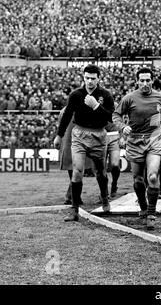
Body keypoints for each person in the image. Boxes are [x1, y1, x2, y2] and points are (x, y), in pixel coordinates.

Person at [54, 64, 115, 221]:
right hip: (79, 134)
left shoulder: (105, 95)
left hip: (98, 135)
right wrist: (59, 136)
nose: (89, 81)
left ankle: (105, 198)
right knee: (77, 170)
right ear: (83, 77)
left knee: (100, 172)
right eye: (87, 78)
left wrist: (96, 105)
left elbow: (110, 118)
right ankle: (74, 209)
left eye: (93, 78)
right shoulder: (76, 94)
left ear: (98, 79)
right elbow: (67, 115)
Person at [112, 67, 161, 230]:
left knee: (151, 177)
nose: (145, 83)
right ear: (137, 81)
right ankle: (143, 207)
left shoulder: (160, 97)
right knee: (138, 180)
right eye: (141, 80)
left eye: (147, 80)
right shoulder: (129, 98)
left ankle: (151, 213)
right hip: (135, 140)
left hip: (154, 138)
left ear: (152, 80)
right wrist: (122, 127)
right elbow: (116, 115)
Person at [57, 106, 93, 205]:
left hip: (67, 142)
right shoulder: (83, 109)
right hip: (78, 141)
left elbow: (59, 127)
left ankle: (72, 196)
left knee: (74, 171)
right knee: (78, 171)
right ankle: (72, 196)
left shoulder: (63, 110)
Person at [104, 120, 121, 198]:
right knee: (101, 168)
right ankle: (104, 192)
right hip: (99, 135)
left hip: (114, 135)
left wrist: (123, 135)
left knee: (115, 165)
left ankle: (114, 183)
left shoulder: (116, 107)